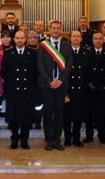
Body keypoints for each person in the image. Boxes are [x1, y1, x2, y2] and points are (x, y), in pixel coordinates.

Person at [37, 20, 73, 151]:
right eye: (53, 28)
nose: (56, 30)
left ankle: (57, 140)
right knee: (47, 113)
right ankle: (48, 139)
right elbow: (40, 65)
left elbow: (69, 65)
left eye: (58, 28)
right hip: (46, 85)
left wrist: (60, 80)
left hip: (61, 85)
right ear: (49, 29)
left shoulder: (66, 45)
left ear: (61, 29)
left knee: (59, 113)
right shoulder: (43, 45)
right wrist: (50, 81)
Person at [1, 31, 38, 150]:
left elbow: (36, 72)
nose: (20, 40)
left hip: (28, 91)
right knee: (13, 118)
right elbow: (4, 72)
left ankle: (24, 140)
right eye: (17, 38)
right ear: (14, 39)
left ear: (25, 39)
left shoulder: (32, 53)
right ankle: (14, 139)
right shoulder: (8, 54)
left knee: (26, 118)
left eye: (22, 38)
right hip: (13, 91)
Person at [63, 31, 90, 148]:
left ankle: (76, 138)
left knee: (78, 115)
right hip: (67, 89)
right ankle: (67, 138)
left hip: (81, 89)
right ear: (70, 38)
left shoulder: (87, 52)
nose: (76, 38)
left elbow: (89, 70)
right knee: (67, 116)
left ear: (81, 38)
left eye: (78, 36)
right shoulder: (64, 52)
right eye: (74, 36)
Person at [84, 32, 105, 145]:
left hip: (104, 87)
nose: (98, 41)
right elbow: (85, 70)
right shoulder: (87, 52)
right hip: (90, 87)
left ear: (103, 40)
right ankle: (89, 136)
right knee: (89, 113)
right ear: (92, 40)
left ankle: (102, 135)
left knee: (102, 113)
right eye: (96, 39)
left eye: (100, 39)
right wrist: (89, 82)